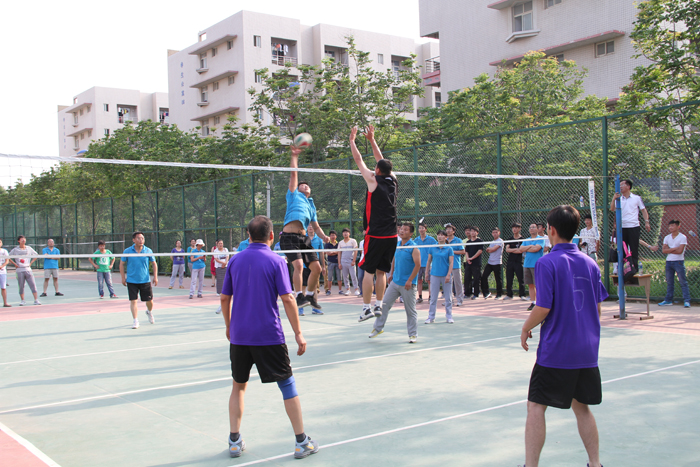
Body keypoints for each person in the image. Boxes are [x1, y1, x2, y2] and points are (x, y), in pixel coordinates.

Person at [219, 215, 319, 460]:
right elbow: (288, 298)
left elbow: (224, 298)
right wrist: (298, 333)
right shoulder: (277, 261)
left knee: (238, 386)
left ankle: (234, 441)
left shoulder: (235, 260)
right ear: (272, 236)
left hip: (240, 336)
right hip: (268, 336)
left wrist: (229, 326)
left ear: (248, 235)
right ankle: (301, 442)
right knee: (287, 384)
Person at [521, 205, 608, 467]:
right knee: (581, 408)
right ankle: (595, 464)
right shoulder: (590, 263)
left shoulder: (547, 262)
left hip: (557, 351)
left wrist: (525, 327)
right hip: (586, 351)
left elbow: (543, 307)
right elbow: (597, 309)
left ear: (551, 230)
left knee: (536, 406)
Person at [350, 125, 398, 322]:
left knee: (368, 270)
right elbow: (381, 161)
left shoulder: (373, 180)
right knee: (382, 271)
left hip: (375, 234)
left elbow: (358, 159)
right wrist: (372, 140)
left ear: (377, 170)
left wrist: (352, 141)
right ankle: (379, 305)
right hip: (392, 235)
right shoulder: (393, 180)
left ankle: (366, 308)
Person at [280, 146, 329, 311]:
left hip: (304, 239)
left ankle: (309, 296)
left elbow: (316, 227)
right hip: (289, 237)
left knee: (317, 268)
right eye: (302, 185)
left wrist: (324, 237)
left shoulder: (311, 206)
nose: (305, 186)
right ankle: (299, 295)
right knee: (299, 266)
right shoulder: (293, 195)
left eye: (307, 186)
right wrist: (294, 156)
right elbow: (294, 174)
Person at [369, 223, 421, 342]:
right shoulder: (397, 244)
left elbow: (417, 265)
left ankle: (413, 334)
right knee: (384, 305)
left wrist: (409, 280)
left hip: (408, 285)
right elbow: (394, 259)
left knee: (410, 311)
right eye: (401, 229)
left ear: (411, 233)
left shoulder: (414, 248)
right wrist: (391, 273)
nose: (402, 231)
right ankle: (378, 328)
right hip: (395, 282)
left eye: (405, 230)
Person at [610, 179, 650, 271]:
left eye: (622, 185)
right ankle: (624, 270)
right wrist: (614, 198)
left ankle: (634, 269)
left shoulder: (636, 198)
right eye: (619, 185)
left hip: (634, 226)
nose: (620, 187)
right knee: (622, 249)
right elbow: (612, 209)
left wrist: (646, 222)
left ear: (628, 186)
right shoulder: (619, 199)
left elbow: (643, 210)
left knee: (634, 248)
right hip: (622, 227)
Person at [120, 231, 157, 329]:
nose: (141, 240)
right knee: (133, 301)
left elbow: (154, 263)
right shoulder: (127, 251)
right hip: (132, 281)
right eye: (138, 238)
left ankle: (149, 311)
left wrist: (155, 276)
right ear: (133, 240)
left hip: (145, 280)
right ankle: (135, 320)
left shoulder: (148, 250)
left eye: (142, 238)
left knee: (149, 301)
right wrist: (123, 277)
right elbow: (121, 264)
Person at [659, 220, 691, 308]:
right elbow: (663, 250)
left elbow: (680, 251)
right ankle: (668, 300)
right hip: (669, 262)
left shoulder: (682, 237)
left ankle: (687, 300)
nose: (670, 227)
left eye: (673, 225)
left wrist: (669, 249)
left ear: (678, 226)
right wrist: (674, 248)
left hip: (679, 262)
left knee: (683, 281)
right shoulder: (667, 237)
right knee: (669, 282)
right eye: (670, 226)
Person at [425, 230, 455, 324]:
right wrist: (426, 273)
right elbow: (429, 261)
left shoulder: (449, 249)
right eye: (438, 235)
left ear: (446, 237)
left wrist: (448, 274)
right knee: (433, 298)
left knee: (448, 298)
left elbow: (451, 262)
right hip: (434, 275)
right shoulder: (432, 248)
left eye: (442, 235)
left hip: (446, 275)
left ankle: (449, 316)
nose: (440, 237)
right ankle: (431, 317)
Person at [9, 236, 41, 306]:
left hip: (28, 269)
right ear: (18, 241)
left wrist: (31, 263)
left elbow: (36, 255)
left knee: (33, 284)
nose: (23, 240)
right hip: (19, 270)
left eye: (24, 239)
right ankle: (22, 300)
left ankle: (36, 300)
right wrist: (15, 264)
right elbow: (8, 257)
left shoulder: (29, 248)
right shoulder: (15, 249)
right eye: (22, 239)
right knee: (21, 286)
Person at [521, 224, 546, 311]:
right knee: (530, 285)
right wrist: (530, 247)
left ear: (537, 229)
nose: (531, 229)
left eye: (533, 227)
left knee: (538, 285)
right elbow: (521, 249)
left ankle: (540, 303)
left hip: (536, 265)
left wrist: (527, 248)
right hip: (526, 264)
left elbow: (536, 249)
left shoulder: (541, 239)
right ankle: (533, 302)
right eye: (530, 227)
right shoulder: (526, 240)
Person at [303, 225, 324, 315]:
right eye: (309, 225)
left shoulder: (319, 239)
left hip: (315, 267)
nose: (310, 227)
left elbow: (321, 253)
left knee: (314, 287)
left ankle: (314, 308)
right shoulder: (302, 238)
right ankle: (301, 309)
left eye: (312, 225)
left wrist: (323, 266)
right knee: (303, 286)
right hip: (304, 266)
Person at [414, 222, 437, 303]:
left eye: (422, 228)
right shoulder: (416, 240)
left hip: (428, 264)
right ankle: (420, 297)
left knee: (429, 281)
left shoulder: (431, 239)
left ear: (426, 229)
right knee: (419, 281)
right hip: (418, 264)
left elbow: (436, 248)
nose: (421, 230)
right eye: (420, 228)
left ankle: (430, 297)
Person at [505, 223, 527, 301]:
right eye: (513, 227)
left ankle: (522, 295)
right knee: (509, 278)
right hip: (510, 261)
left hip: (519, 262)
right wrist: (516, 250)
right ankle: (509, 294)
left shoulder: (523, 239)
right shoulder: (510, 239)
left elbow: (521, 250)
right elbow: (507, 250)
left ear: (520, 229)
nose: (514, 229)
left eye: (517, 227)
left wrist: (513, 250)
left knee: (521, 279)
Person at [480, 227, 504, 299]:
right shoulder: (492, 242)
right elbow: (487, 250)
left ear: (499, 233)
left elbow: (493, 249)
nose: (495, 234)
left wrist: (491, 249)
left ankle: (499, 294)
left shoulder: (500, 241)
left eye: (496, 232)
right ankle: (486, 293)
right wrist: (490, 249)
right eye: (493, 232)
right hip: (490, 262)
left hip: (497, 263)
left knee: (497, 279)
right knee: (484, 277)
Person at [445, 224, 466, 306]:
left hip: (455, 265)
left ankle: (460, 299)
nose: (448, 231)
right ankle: (449, 300)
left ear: (453, 231)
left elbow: (463, 251)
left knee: (458, 283)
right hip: (446, 265)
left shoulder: (458, 240)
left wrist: (452, 252)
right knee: (447, 283)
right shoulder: (444, 240)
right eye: (447, 229)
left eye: (450, 229)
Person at [338, 228, 360, 296]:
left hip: (351, 261)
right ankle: (348, 290)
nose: (345, 233)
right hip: (343, 262)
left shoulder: (353, 241)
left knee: (353, 276)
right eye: (344, 232)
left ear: (349, 233)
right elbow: (339, 253)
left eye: (346, 232)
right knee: (345, 276)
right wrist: (339, 263)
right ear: (342, 234)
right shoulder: (340, 242)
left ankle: (356, 290)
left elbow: (356, 251)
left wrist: (354, 260)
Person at [464, 227, 484, 299]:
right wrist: (468, 258)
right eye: (471, 231)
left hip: (476, 263)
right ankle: (467, 293)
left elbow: (480, 251)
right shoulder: (468, 242)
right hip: (468, 263)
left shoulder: (479, 241)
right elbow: (466, 251)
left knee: (476, 279)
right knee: (467, 278)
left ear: (477, 233)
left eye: (474, 231)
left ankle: (476, 294)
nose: (472, 232)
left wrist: (472, 258)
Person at [213, 240, 230, 314]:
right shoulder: (215, 251)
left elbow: (227, 256)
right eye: (219, 243)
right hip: (219, 267)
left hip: (225, 266)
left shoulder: (226, 249)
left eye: (222, 243)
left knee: (226, 280)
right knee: (219, 280)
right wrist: (222, 263)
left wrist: (225, 263)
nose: (221, 245)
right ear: (217, 244)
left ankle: (225, 291)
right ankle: (219, 292)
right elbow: (216, 259)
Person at [0, 239, 11, 307]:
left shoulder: (4, 251)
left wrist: (1, 266)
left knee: (3, 288)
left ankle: (5, 303)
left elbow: (7, 261)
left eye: (0, 242)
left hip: (2, 272)